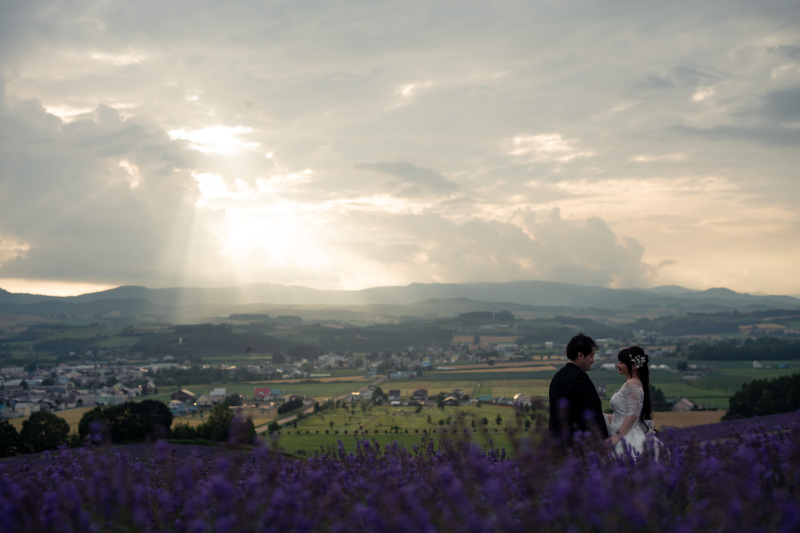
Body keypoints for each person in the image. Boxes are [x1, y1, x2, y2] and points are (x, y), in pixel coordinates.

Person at [548, 333, 609, 445]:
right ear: (580, 355)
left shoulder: (557, 376)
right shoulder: (580, 378)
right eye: (591, 356)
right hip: (578, 445)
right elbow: (590, 411)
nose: (593, 360)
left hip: (557, 443)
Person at [604, 346, 663, 457]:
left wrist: (616, 437)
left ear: (633, 366)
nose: (617, 365)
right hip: (625, 431)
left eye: (621, 362)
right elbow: (623, 414)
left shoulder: (632, 384)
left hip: (628, 436)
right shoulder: (633, 383)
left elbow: (632, 415)